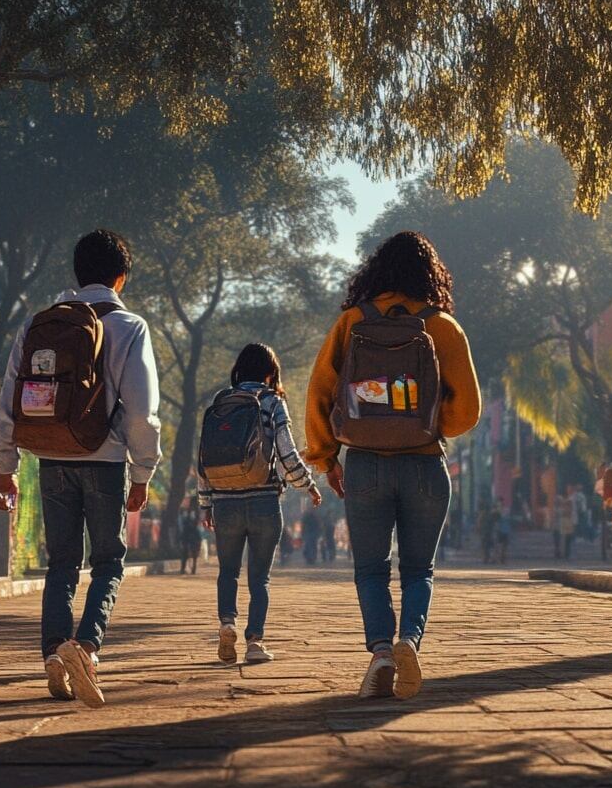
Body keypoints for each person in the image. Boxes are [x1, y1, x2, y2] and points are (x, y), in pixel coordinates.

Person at [305, 231, 481, 700]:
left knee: (370, 568)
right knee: (419, 569)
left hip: (364, 464)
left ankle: (381, 652)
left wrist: (327, 457)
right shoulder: (442, 326)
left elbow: (319, 393)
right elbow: (468, 410)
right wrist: (429, 425)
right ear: (431, 275)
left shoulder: (351, 323)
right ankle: (410, 641)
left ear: (376, 271)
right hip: (424, 465)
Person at [0, 229, 161, 709]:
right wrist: (143, 472)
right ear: (120, 278)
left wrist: (5, 466)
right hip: (105, 461)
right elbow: (142, 412)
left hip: (50, 457)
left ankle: (52, 654)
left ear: (76, 272)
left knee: (61, 563)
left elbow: (11, 398)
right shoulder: (130, 327)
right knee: (108, 562)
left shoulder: (37, 323)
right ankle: (85, 647)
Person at [198, 343, 321, 665]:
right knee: (259, 578)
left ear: (240, 369)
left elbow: (205, 456)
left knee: (227, 572)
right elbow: (286, 451)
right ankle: (254, 642)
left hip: (225, 502)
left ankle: (227, 623)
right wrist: (307, 485)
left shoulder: (221, 401)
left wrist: (205, 504)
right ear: (270, 372)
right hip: (264, 500)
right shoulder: (271, 401)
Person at [179, 496, 203, 575]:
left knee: (192, 551)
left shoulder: (195, 511)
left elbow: (196, 522)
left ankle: (193, 568)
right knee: (185, 551)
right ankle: (183, 568)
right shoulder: (186, 511)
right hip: (187, 532)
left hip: (192, 531)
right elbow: (183, 521)